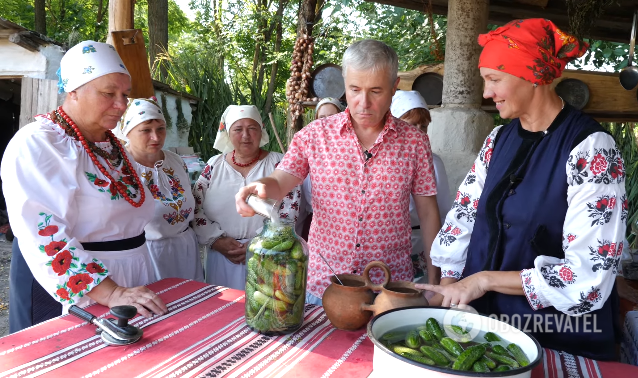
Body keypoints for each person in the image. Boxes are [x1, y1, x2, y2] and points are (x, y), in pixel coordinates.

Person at [419, 19, 625, 360]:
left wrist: (484, 280)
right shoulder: (498, 141)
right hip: (486, 328)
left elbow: (589, 274)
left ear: (531, 76)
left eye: (494, 79)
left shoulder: (591, 149)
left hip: (560, 336)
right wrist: (447, 291)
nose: (486, 92)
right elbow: (464, 220)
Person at [236, 39, 442, 306]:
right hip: (324, 285)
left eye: (376, 91)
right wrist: (260, 187)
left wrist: (435, 281)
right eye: (354, 89)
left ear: (394, 87)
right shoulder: (314, 135)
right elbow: (281, 180)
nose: (363, 103)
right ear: (344, 85)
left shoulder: (414, 142)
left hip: (390, 288)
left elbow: (428, 212)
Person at [2, 41, 167, 333]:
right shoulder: (39, 144)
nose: (121, 105)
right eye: (108, 93)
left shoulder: (114, 147)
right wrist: (112, 293)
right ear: (73, 91)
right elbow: (42, 233)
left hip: (128, 281)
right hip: (78, 290)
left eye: (124, 94)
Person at [192, 105, 300, 290]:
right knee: (222, 310)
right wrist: (216, 240)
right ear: (227, 132)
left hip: (268, 253)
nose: (246, 135)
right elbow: (195, 208)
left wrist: (259, 242)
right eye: (238, 129)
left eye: (252, 128)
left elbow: (290, 209)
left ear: (261, 130)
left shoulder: (280, 164)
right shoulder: (213, 166)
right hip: (221, 255)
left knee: (264, 307)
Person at [114, 97, 204, 282]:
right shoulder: (119, 168)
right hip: (147, 254)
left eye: (160, 128)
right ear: (127, 132)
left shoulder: (176, 161)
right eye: (145, 130)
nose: (156, 137)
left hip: (185, 250)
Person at [390, 90, 451, 283]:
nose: (417, 131)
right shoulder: (381, 160)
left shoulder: (433, 163)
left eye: (422, 126)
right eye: (411, 124)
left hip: (420, 241)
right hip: (386, 244)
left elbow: (440, 211)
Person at [298, 97, 346, 238]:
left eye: (333, 117)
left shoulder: (350, 152)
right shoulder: (307, 149)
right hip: (314, 223)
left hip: (343, 225)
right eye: (322, 117)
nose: (326, 122)